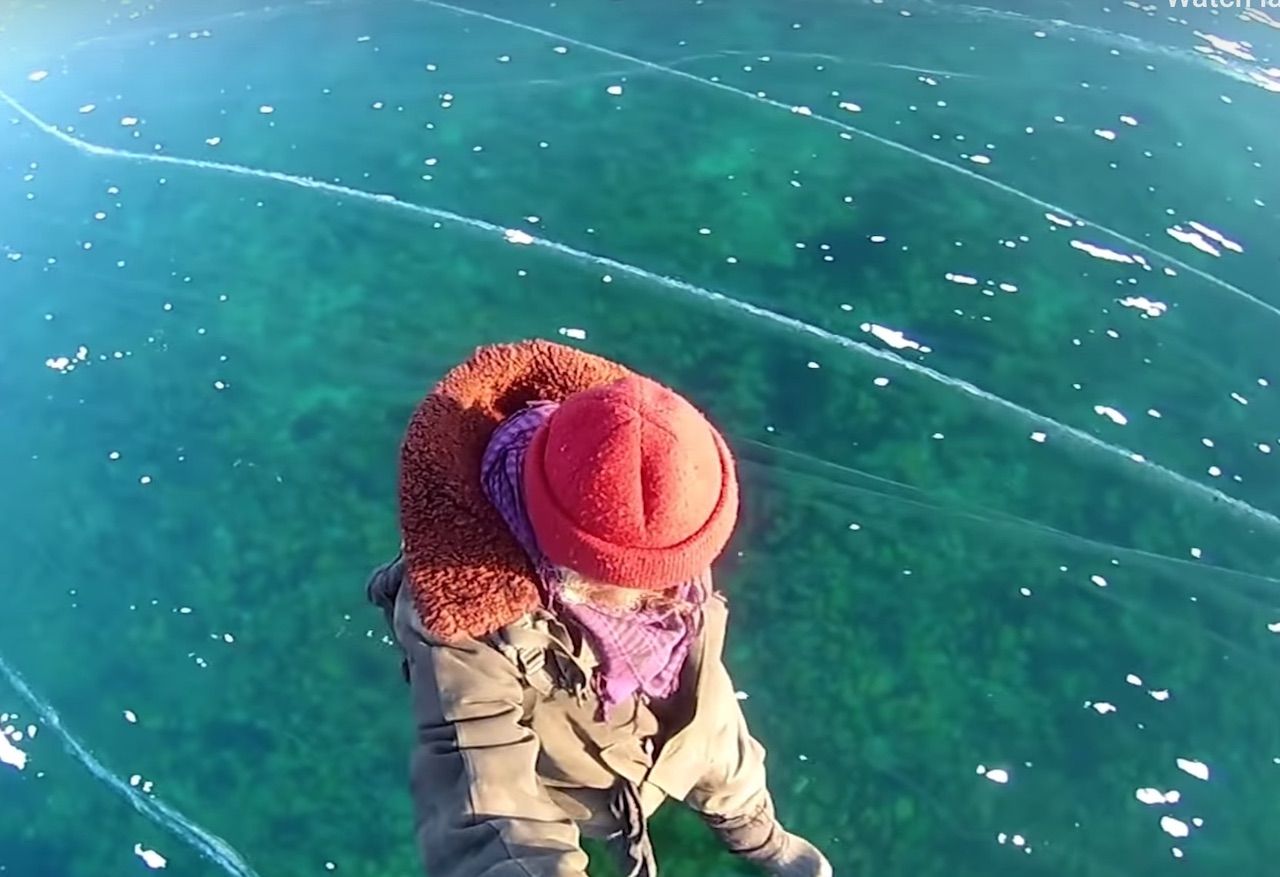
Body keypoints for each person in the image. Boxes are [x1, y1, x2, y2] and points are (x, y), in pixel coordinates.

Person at [367, 339, 832, 877]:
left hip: (677, 725)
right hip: (568, 779)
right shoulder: (463, 616)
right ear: (562, 549)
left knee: (716, 728)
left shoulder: (667, 509)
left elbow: (702, 692)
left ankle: (755, 830)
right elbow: (482, 782)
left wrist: (753, 821)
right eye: (622, 583)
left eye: (675, 572)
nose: (655, 599)